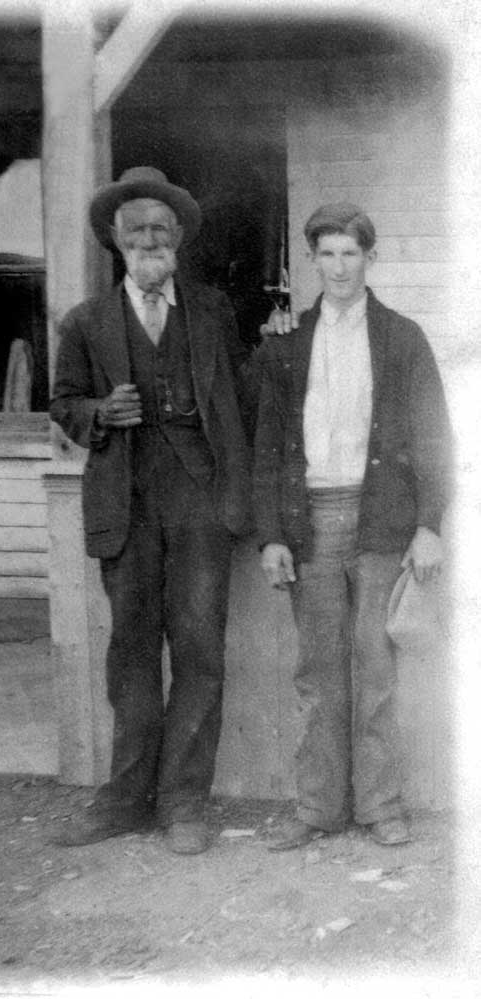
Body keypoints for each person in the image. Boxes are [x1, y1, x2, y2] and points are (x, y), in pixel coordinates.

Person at [49, 166, 251, 855]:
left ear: (178, 239)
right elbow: (63, 404)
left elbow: (242, 400)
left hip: (199, 505)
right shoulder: (84, 321)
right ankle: (125, 800)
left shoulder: (213, 309)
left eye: (161, 228)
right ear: (116, 239)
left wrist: (240, 497)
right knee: (130, 653)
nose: (149, 238)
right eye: (136, 228)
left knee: (198, 651)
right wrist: (100, 414)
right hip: (126, 506)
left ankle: (184, 802)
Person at [253, 203, 452, 850]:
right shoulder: (286, 341)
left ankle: (380, 805)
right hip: (309, 520)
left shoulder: (401, 337)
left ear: (370, 258)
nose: (339, 267)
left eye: (350, 253)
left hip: (379, 522)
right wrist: (272, 535)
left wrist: (428, 525)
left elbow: (433, 438)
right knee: (317, 673)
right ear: (311, 260)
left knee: (375, 669)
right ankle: (317, 808)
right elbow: (267, 443)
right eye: (327, 254)